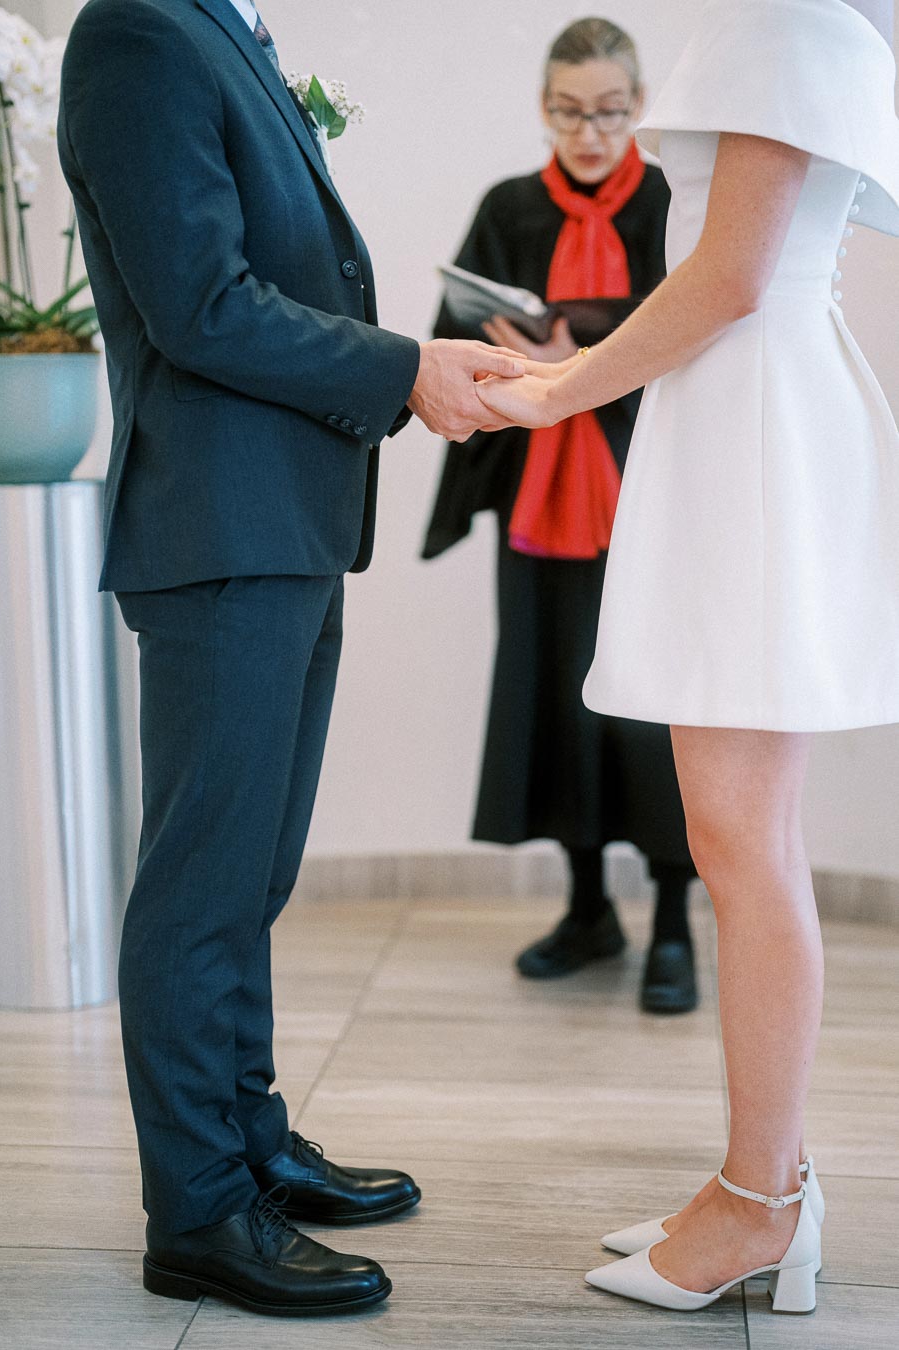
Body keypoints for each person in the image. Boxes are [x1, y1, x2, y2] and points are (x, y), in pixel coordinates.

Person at [57, 0, 523, 1320]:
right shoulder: (136, 32)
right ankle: (198, 1204)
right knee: (202, 877)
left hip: (288, 518)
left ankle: (249, 1140)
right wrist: (404, 370)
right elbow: (201, 304)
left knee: (248, 869)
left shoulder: (221, 27)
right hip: (217, 523)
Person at [478, 0, 899, 1316]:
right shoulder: (788, 25)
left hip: (758, 420)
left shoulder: (791, 23)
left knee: (741, 838)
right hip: (745, 411)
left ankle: (762, 1202)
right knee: (740, 835)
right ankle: (757, 1182)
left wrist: (560, 388)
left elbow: (731, 274)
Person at [423, 18, 698, 1013]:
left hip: (649, 496)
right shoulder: (508, 207)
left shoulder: (672, 202)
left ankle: (674, 925)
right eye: (570, 113)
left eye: (612, 113)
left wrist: (571, 337)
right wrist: (506, 348)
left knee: (659, 717)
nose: (590, 133)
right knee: (559, 700)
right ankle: (590, 910)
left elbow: (695, 331)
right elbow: (451, 336)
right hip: (539, 497)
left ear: (640, 109)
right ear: (546, 108)